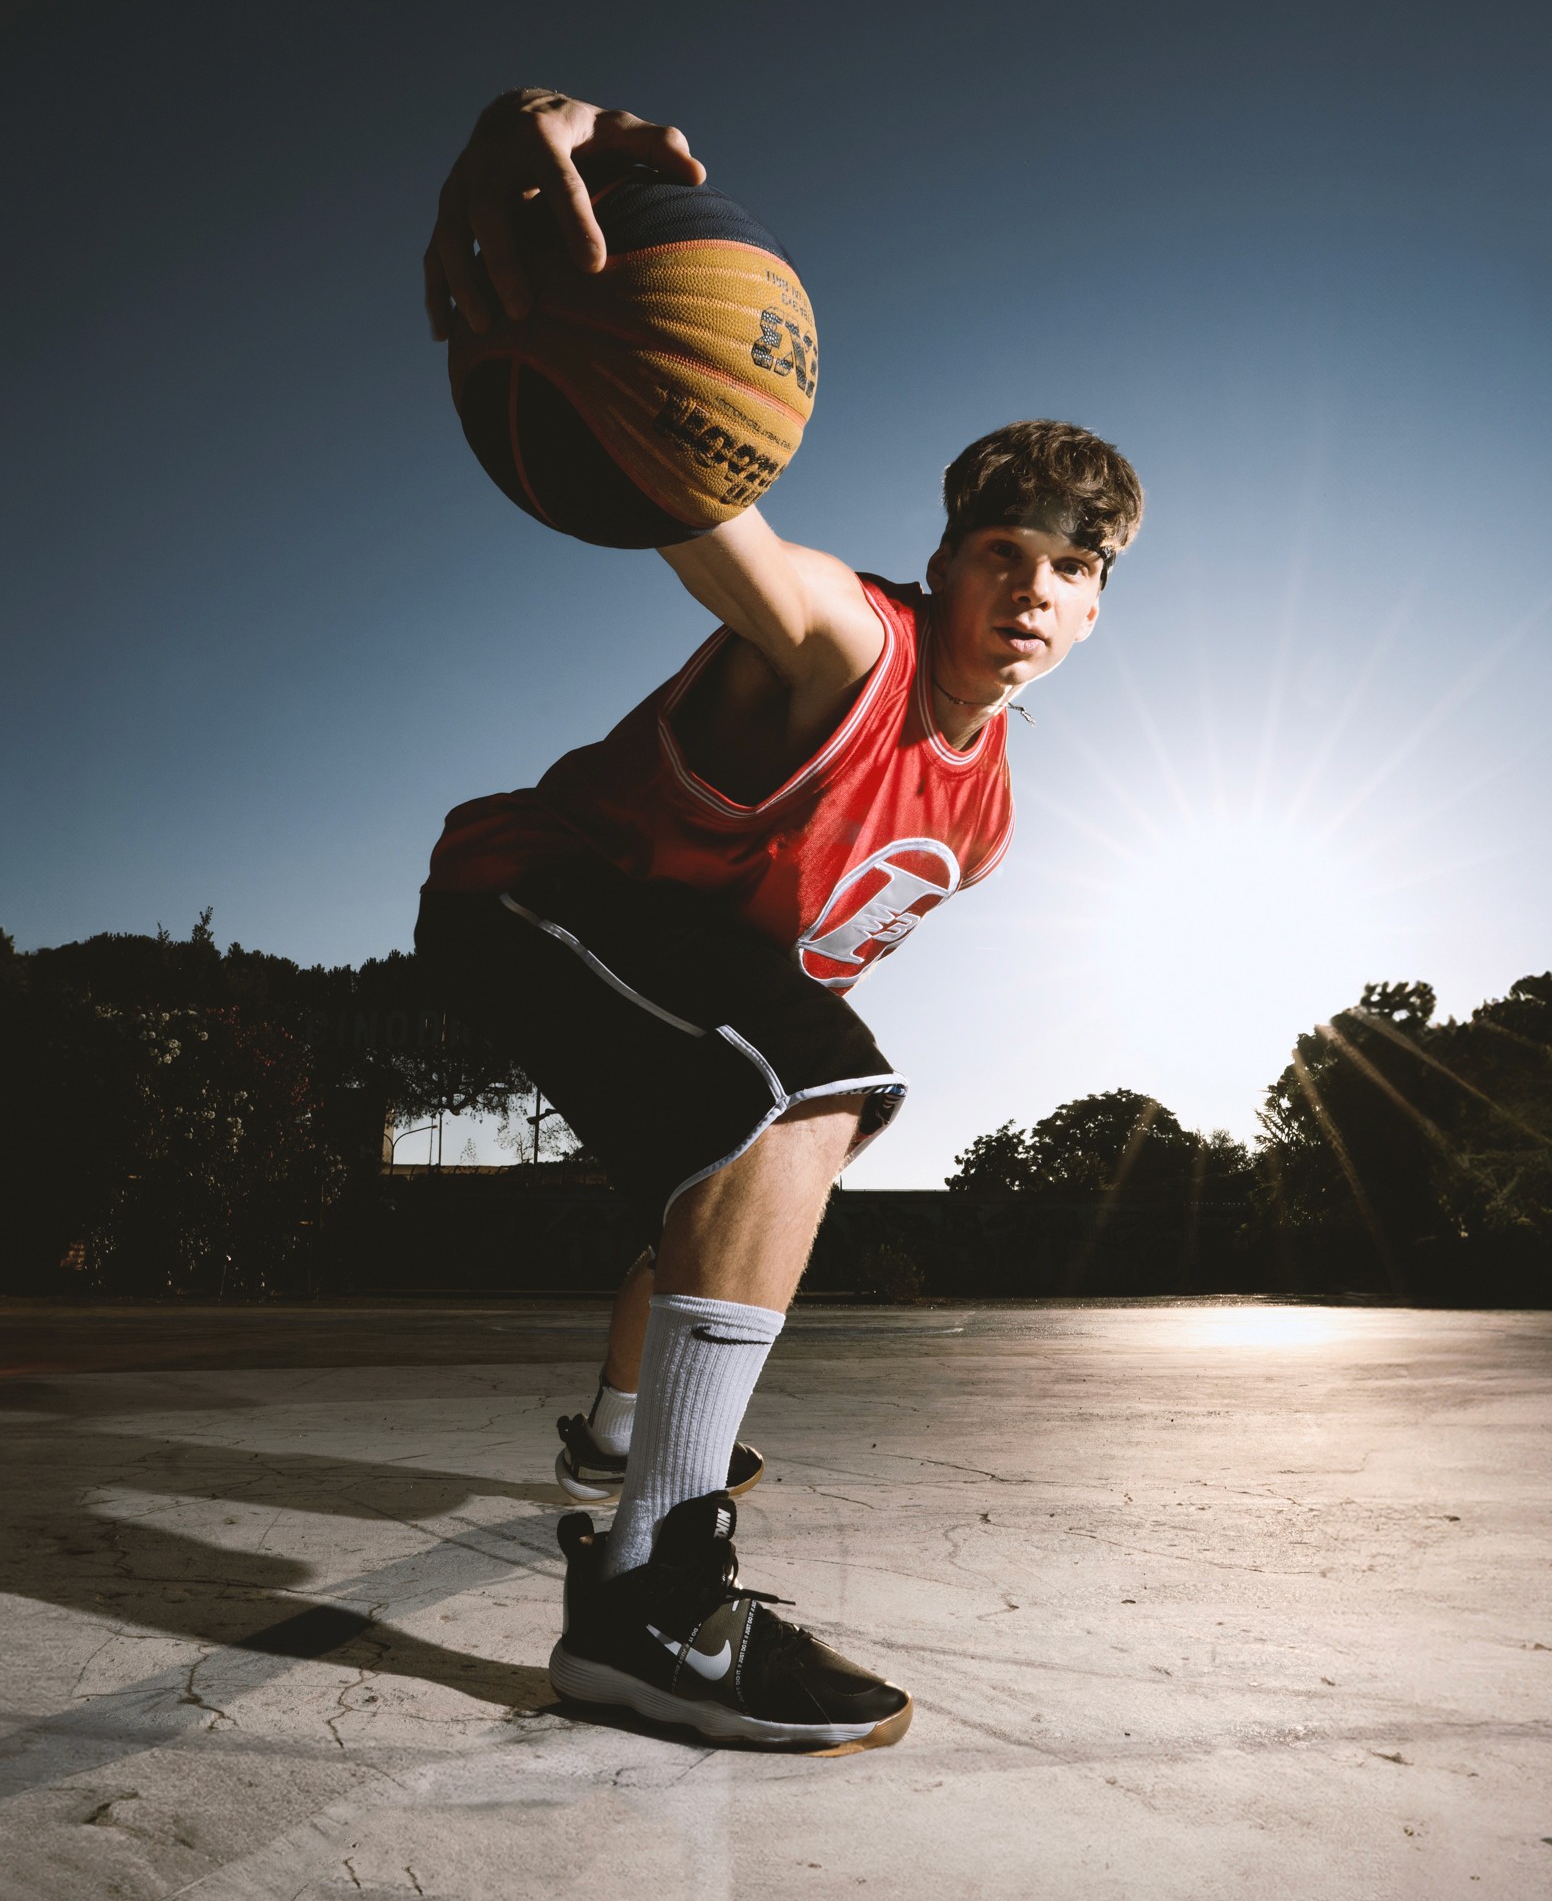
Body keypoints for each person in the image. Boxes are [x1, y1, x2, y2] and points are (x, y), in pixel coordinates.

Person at [417, 89, 1143, 1753]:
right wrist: (566, 264)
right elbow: (706, 515)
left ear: (1099, 609)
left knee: (741, 1151)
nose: (1034, 590)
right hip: (527, 893)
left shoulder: (985, 815)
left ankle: (621, 1444)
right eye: (1004, 552)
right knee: (805, 1087)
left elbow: (759, 1054)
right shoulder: (847, 640)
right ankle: (648, 1596)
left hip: (671, 954)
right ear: (944, 563)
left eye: (1073, 570)